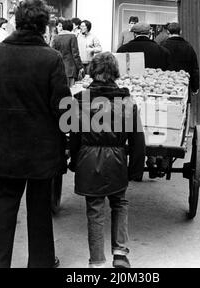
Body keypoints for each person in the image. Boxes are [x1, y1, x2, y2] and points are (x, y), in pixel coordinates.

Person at [0, 0, 71, 268]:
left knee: (4, 207)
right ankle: (40, 263)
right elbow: (61, 107)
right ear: (44, 26)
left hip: (6, 146)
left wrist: (1, 120)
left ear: (17, 21)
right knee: (39, 209)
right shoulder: (51, 59)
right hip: (41, 150)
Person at [69, 52, 145, 268]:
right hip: (117, 160)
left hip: (88, 159)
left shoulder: (79, 101)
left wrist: (74, 161)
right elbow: (138, 140)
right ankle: (120, 253)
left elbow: (74, 137)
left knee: (94, 209)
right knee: (119, 202)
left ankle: (97, 262)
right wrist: (135, 170)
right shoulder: (128, 102)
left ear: (92, 72)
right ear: (115, 73)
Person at [161, 22, 199, 96]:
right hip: (183, 85)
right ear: (180, 32)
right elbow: (194, 69)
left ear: (168, 32)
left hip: (167, 86)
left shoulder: (162, 46)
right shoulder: (188, 47)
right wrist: (195, 87)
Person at [52, 19, 84, 87]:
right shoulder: (72, 37)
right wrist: (80, 67)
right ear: (71, 27)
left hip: (58, 69)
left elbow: (53, 52)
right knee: (71, 90)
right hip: (70, 68)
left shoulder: (56, 37)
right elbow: (75, 54)